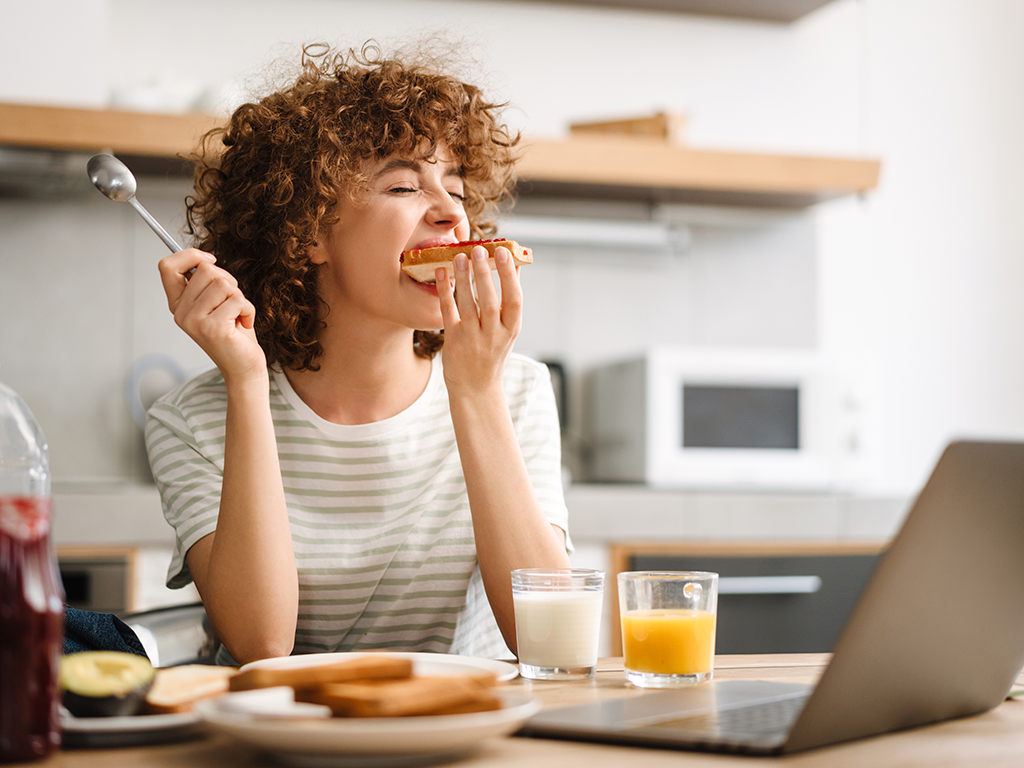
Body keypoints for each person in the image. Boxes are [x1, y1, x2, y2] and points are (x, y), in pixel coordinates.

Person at [145, 41, 571, 666]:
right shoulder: (193, 420)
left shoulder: (516, 390)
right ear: (309, 230)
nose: (452, 211)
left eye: (454, 186)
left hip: (460, 738)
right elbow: (263, 645)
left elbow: (552, 643)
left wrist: (476, 391)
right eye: (404, 185)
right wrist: (245, 381)